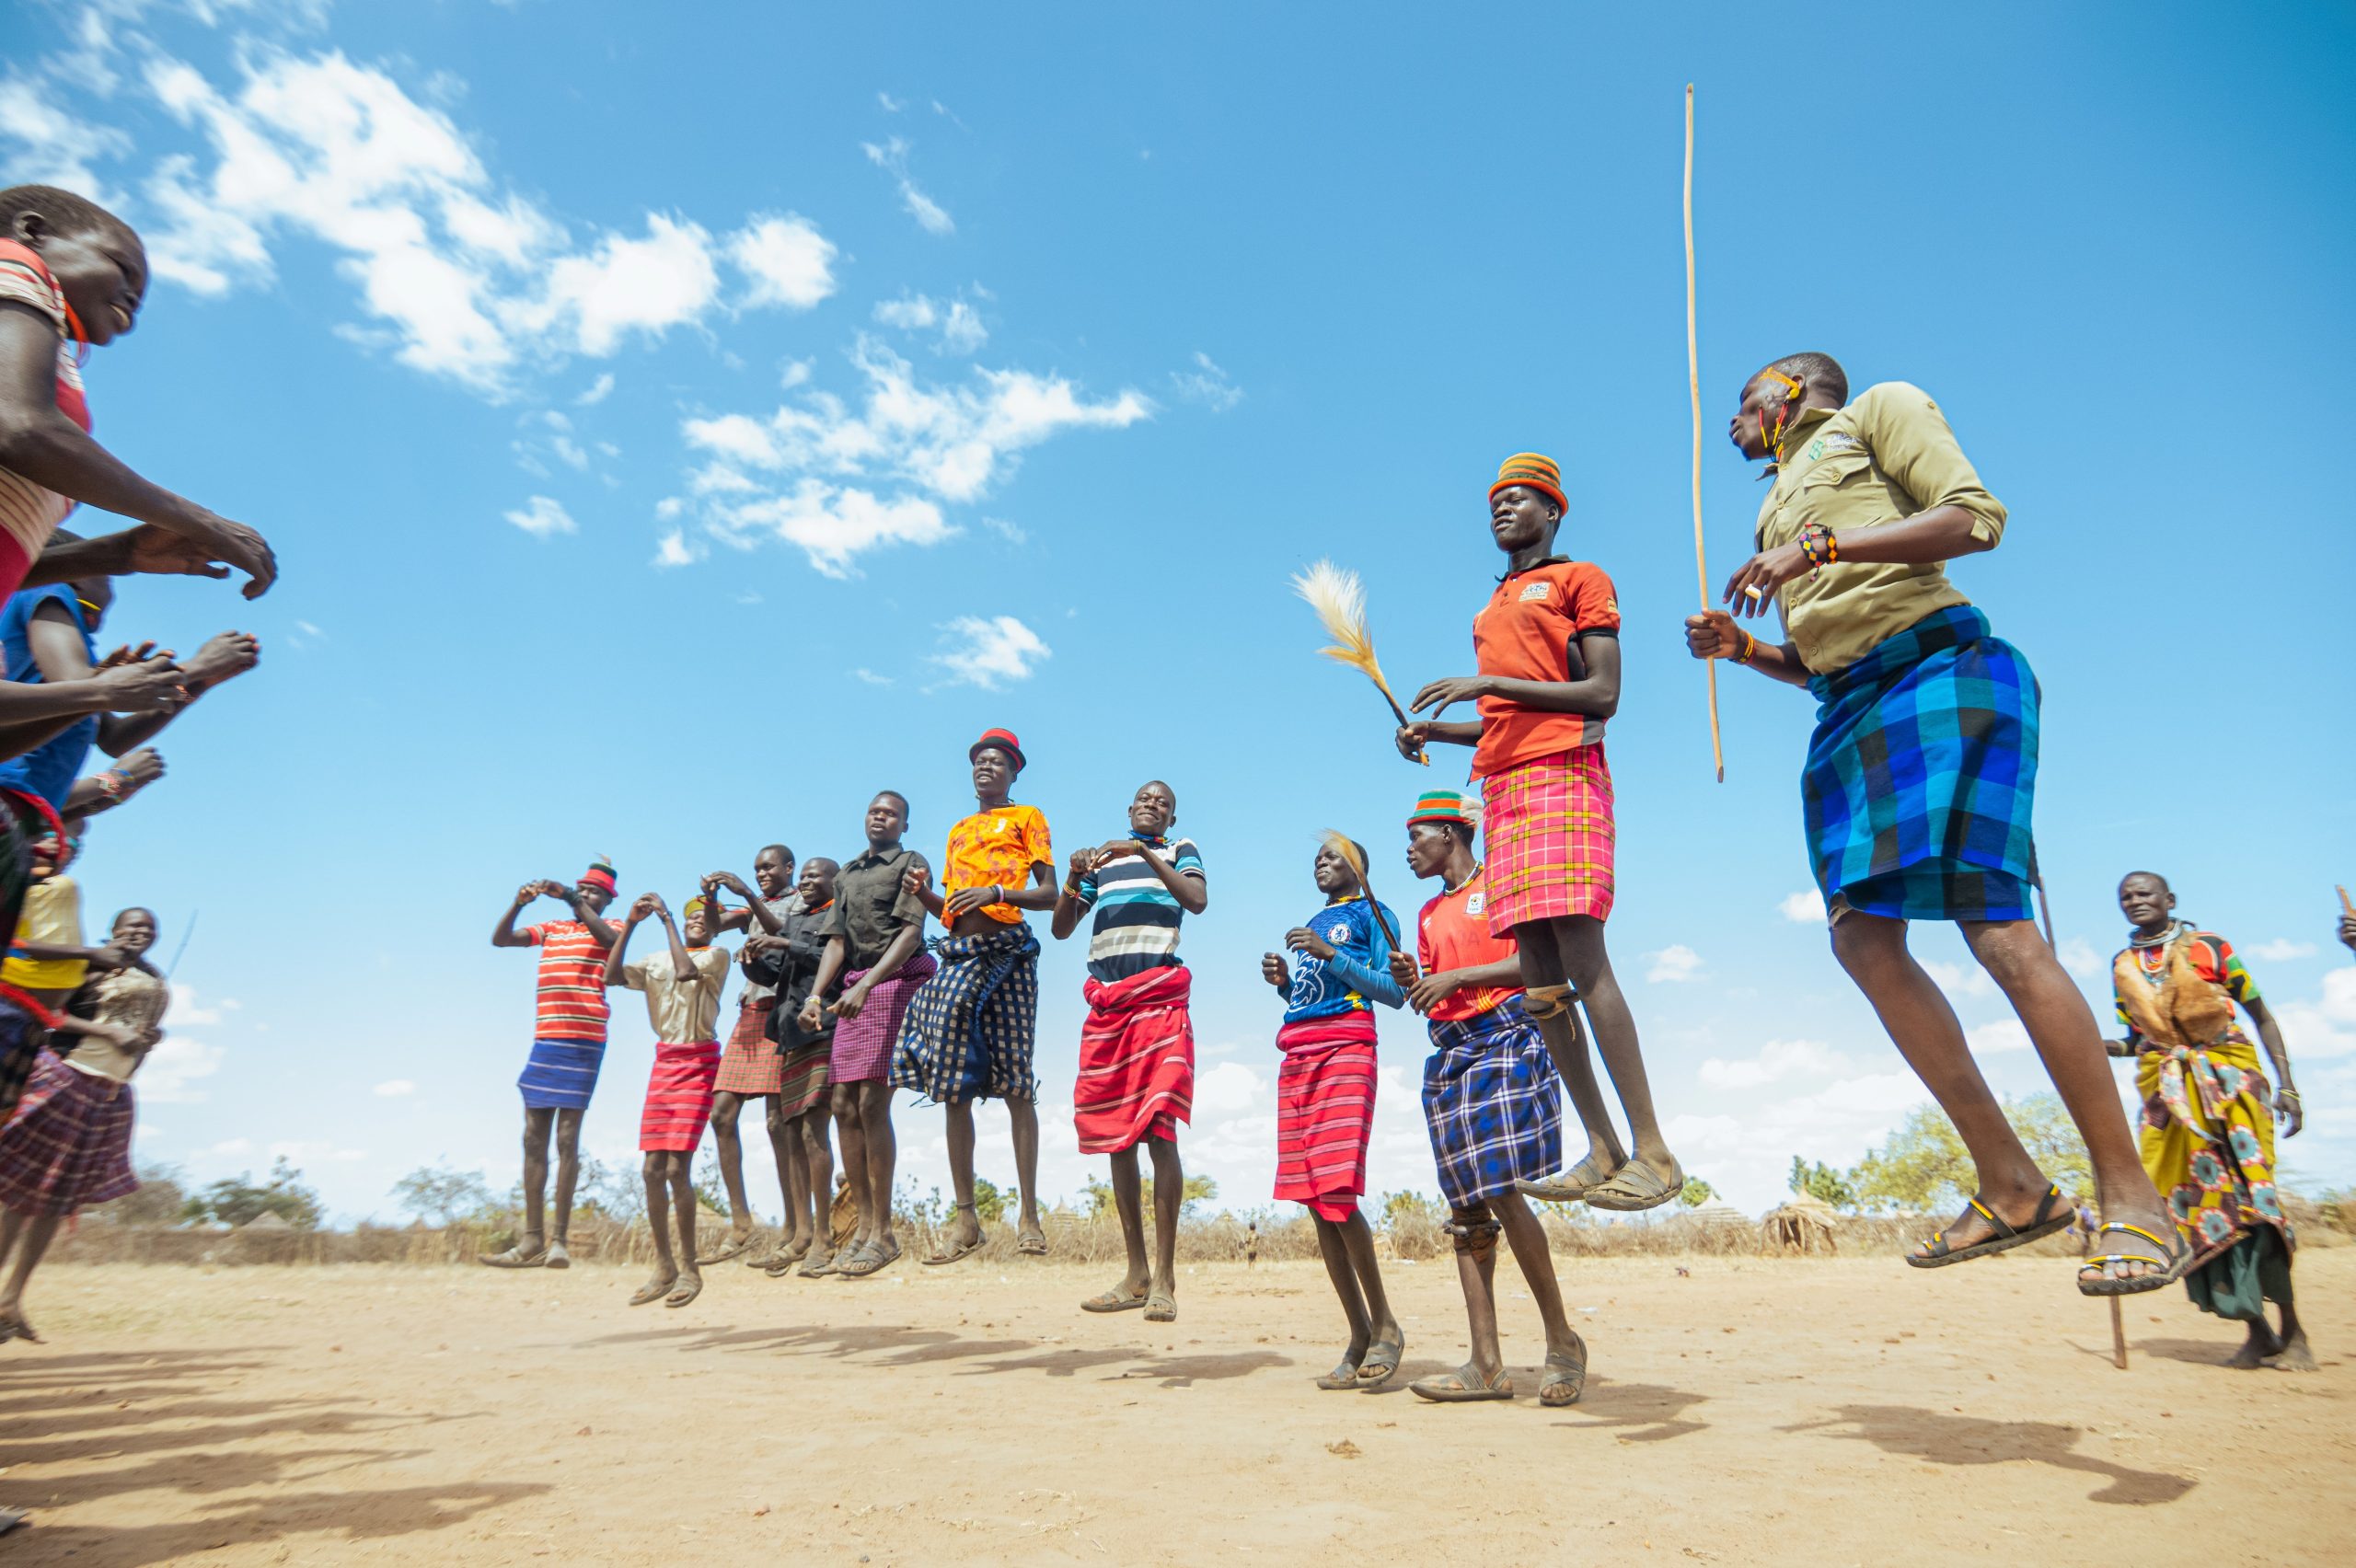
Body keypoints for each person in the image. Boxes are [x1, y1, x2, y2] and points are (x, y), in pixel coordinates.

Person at [1682, 352, 2181, 1296]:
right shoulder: (1772, 505)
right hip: (1849, 707)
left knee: (1994, 929)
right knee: (1860, 942)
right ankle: (2012, 1182)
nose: (1734, 421)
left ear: (1793, 391)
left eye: (1745, 402)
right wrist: (1747, 650)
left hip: (1940, 676)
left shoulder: (1877, 410)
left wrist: (1820, 546)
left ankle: (2134, 1201)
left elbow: (1974, 522)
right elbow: (1824, 652)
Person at [1395, 452, 1682, 1211]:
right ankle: (1603, 1146)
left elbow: (1602, 693)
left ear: (1554, 511)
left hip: (1565, 776)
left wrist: (1488, 682)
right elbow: (1501, 721)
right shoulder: (1494, 602)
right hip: (1507, 789)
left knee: (1585, 961)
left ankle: (1653, 1148)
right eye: (1495, 501)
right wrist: (1437, 730)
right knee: (1541, 977)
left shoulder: (1581, 578)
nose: (1502, 510)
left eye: (1519, 500)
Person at [1387, 790, 1585, 1405]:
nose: (1410, 849)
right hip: (1452, 1054)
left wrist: (1459, 977)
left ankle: (1561, 1343)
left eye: (1418, 836)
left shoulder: (1505, 880)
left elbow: (1543, 961)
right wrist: (1415, 982)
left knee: (1500, 1187)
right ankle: (1487, 1364)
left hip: (1508, 1037)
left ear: (1451, 832)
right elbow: (1434, 989)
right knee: (1468, 1209)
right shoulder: (1425, 915)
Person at [2109, 872, 2310, 1369]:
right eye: (2125, 897)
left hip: (2233, 1084)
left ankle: (2294, 1330)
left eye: (2144, 894)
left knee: (2255, 1202)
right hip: (2169, 1095)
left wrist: (2287, 1085)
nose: (2134, 902)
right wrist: (2092, 1046)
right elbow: (2136, 1039)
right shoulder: (2124, 966)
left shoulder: (2211, 948)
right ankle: (2256, 1330)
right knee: (2196, 1208)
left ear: (2169, 900)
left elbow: (2260, 1013)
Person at [894, 730, 1055, 1263]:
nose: (986, 768)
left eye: (997, 762)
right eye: (979, 762)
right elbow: (951, 909)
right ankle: (967, 1220)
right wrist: (924, 894)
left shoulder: (1028, 818)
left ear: (1013, 772)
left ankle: (1028, 1216)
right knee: (951, 1085)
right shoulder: (960, 830)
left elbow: (1050, 895)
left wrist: (998, 892)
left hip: (1008, 954)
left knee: (1015, 1083)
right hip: (959, 955)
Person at [1050, 779, 1206, 1323]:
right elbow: (1062, 929)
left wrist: (1142, 851)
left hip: (1160, 1002)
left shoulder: (1177, 851)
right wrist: (1073, 876)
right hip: (1109, 1008)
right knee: (1118, 1138)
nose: (1153, 806)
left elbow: (1197, 900)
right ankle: (1135, 1273)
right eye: (1145, 800)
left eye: (1164, 802)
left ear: (1170, 817)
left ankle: (1165, 1278)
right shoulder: (1102, 863)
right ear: (1129, 808)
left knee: (1159, 1131)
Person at [1262, 834, 1407, 1390]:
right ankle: (1359, 1333)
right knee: (1315, 1200)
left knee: (1338, 1192)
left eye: (1332, 855)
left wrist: (1330, 954)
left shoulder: (1374, 913)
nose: (1321, 862)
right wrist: (1284, 984)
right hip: (1296, 1050)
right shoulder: (1314, 919)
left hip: (1347, 1049)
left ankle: (1387, 1326)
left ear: (1360, 868)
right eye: (1316, 857)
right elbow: (1313, 995)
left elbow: (1391, 992)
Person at [0, 905, 167, 1343]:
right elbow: (45, 1012)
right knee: (21, 1193)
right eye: (132, 925)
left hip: (110, 1092)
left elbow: (139, 1036)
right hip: (66, 1075)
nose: (140, 933)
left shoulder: (155, 980)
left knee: (58, 1199)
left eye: (148, 928)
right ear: (113, 930)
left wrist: (147, 1042)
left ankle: (12, 1300)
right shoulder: (86, 964)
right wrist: (108, 1034)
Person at [800, 790, 935, 1279]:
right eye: (875, 811)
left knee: (873, 1104)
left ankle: (883, 1232)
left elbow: (911, 934)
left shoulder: (910, 863)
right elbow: (836, 942)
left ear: (904, 824)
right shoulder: (847, 875)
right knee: (841, 1105)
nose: (882, 817)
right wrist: (816, 996)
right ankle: (858, 1229)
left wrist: (872, 982)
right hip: (853, 988)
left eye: (892, 813)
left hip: (893, 984)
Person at [0, 564, 260, 817]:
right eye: (108, 578)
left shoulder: (81, 653)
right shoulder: (50, 591)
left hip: (26, 817)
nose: (112, 592)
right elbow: (84, 685)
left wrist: (199, 683)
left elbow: (115, 738)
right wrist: (197, 666)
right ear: (78, 576)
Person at [482, 859, 621, 1270]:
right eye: (584, 890)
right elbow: (502, 939)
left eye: (595, 892)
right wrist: (518, 903)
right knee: (532, 1137)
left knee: (566, 1139)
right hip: (546, 1039)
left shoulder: (609, 926)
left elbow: (611, 942)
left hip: (584, 1041)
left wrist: (574, 898)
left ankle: (559, 1241)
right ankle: (531, 1241)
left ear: (609, 898)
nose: (589, 895)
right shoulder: (554, 931)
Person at [605, 892, 731, 1309]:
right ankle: (663, 1266)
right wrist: (633, 922)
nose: (697, 921)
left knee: (678, 1168)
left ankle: (690, 1268)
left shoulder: (717, 955)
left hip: (698, 1062)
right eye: (690, 916)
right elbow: (611, 976)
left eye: (703, 918)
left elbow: (684, 972)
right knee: (650, 1169)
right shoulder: (652, 959)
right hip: (664, 1064)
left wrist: (668, 919)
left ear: (713, 926)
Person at [697, 845, 798, 1266]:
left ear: (789, 868)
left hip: (782, 1010)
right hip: (750, 1011)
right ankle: (741, 1223)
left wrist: (749, 896)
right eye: (757, 870)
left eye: (769, 867)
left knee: (778, 1124)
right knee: (721, 1113)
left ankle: (794, 1227)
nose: (761, 874)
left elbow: (789, 935)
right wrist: (712, 895)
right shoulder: (752, 908)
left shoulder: (801, 900)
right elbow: (713, 925)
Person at [754, 856, 843, 1274]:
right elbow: (775, 973)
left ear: (834, 881)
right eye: (803, 876)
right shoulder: (797, 919)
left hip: (821, 1028)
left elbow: (834, 958)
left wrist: (786, 944)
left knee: (812, 1130)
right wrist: (752, 957)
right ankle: (802, 1234)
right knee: (790, 1134)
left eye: (814, 875)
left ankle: (824, 1237)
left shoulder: (836, 918)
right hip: (789, 1033)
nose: (806, 881)